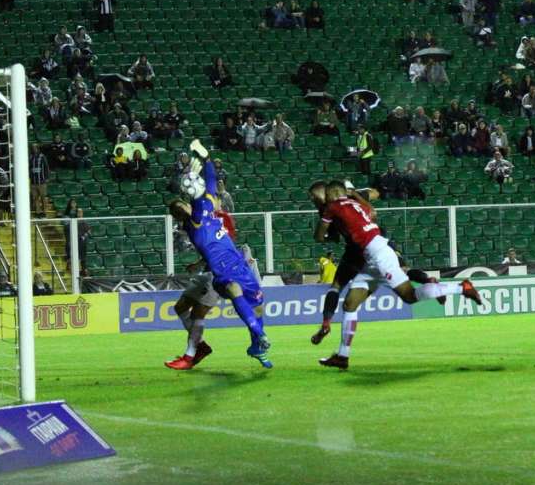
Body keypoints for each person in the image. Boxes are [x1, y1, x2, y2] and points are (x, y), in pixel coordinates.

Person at [313, 181, 482, 369]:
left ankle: (461, 288)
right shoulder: (355, 203)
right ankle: (342, 356)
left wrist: (324, 230)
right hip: (371, 257)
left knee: (409, 296)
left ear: (330, 194)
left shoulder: (332, 207)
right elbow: (371, 211)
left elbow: (320, 237)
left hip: (377, 255)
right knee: (350, 304)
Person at [168, 140, 272, 368]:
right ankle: (195, 351)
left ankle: (255, 346)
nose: (181, 209)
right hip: (219, 271)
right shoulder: (194, 221)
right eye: (177, 211)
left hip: (231, 264)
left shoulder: (207, 209)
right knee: (197, 309)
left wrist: (206, 160)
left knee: (255, 306)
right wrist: (193, 183)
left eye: (181, 205)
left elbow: (211, 184)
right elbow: (202, 195)